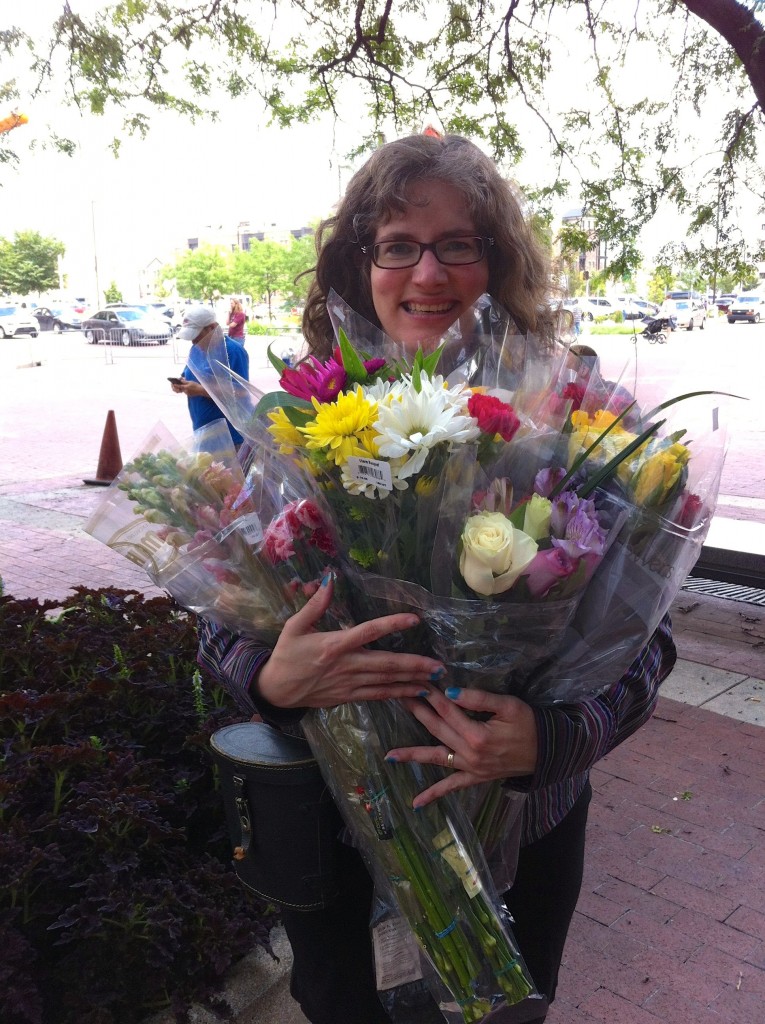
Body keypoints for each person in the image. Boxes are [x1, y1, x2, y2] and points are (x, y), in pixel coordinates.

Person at [197, 134, 676, 1024]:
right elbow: (220, 620)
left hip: (521, 822)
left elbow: (645, 643)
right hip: (337, 823)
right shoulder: (298, 416)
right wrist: (269, 680)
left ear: (496, 262)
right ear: (359, 263)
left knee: (503, 1010)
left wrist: (552, 739)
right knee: (347, 1007)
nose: (428, 272)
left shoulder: (576, 414)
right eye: (397, 245)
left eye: (459, 243)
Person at [169, 305, 249, 448]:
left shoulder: (233, 351)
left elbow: (242, 392)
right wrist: (181, 384)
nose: (193, 341)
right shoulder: (196, 349)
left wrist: (200, 390)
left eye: (196, 335)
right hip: (203, 432)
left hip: (229, 436)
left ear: (212, 328)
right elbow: (188, 373)